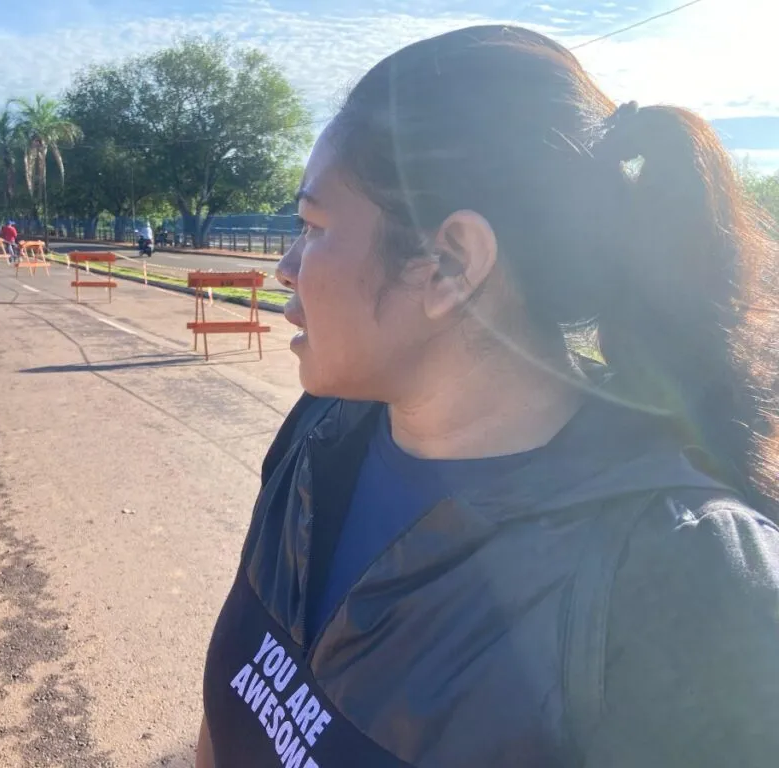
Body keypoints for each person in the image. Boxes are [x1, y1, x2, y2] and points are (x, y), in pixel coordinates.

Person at [197, 25, 779, 768]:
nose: (285, 265)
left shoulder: (694, 580)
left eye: (313, 226)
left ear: (450, 263)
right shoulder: (322, 435)